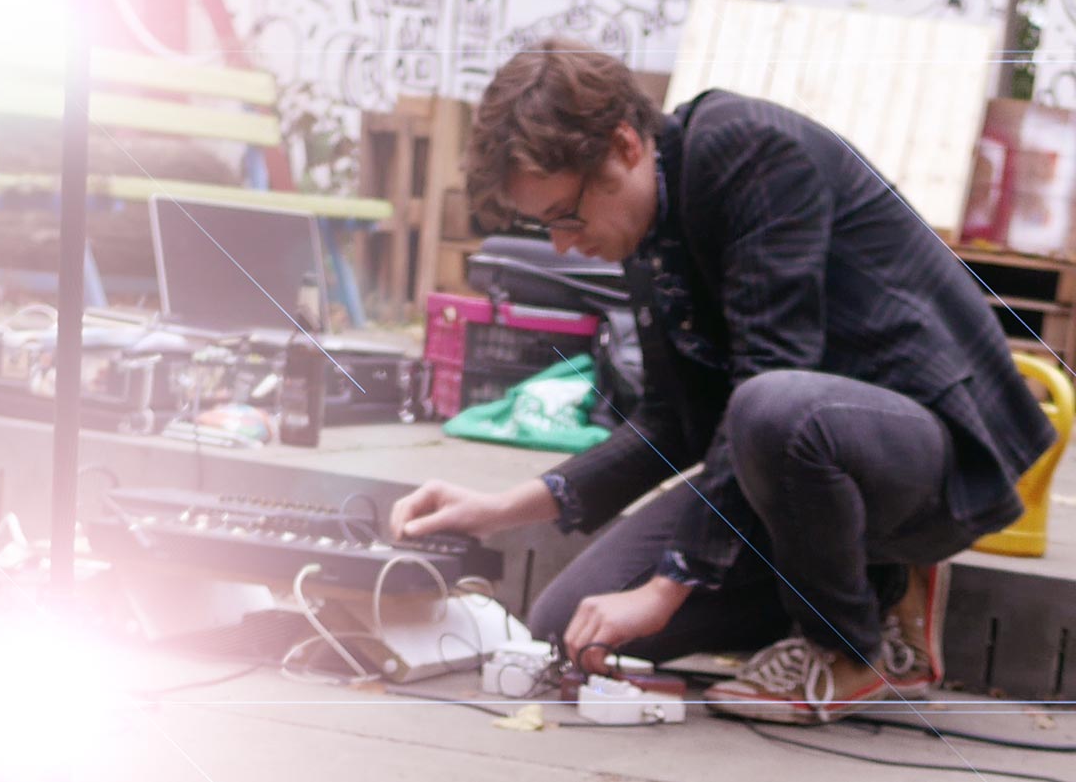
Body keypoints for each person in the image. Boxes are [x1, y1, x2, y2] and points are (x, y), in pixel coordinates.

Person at [389, 37, 1056, 724]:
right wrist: (499, 507)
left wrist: (669, 583)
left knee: (772, 407)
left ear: (623, 145)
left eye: (566, 215)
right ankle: (876, 593)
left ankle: (851, 649)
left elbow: (769, 381)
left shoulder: (749, 152)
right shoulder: (646, 228)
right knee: (568, 620)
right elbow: (671, 425)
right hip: (798, 464)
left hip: (927, 456)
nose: (562, 243)